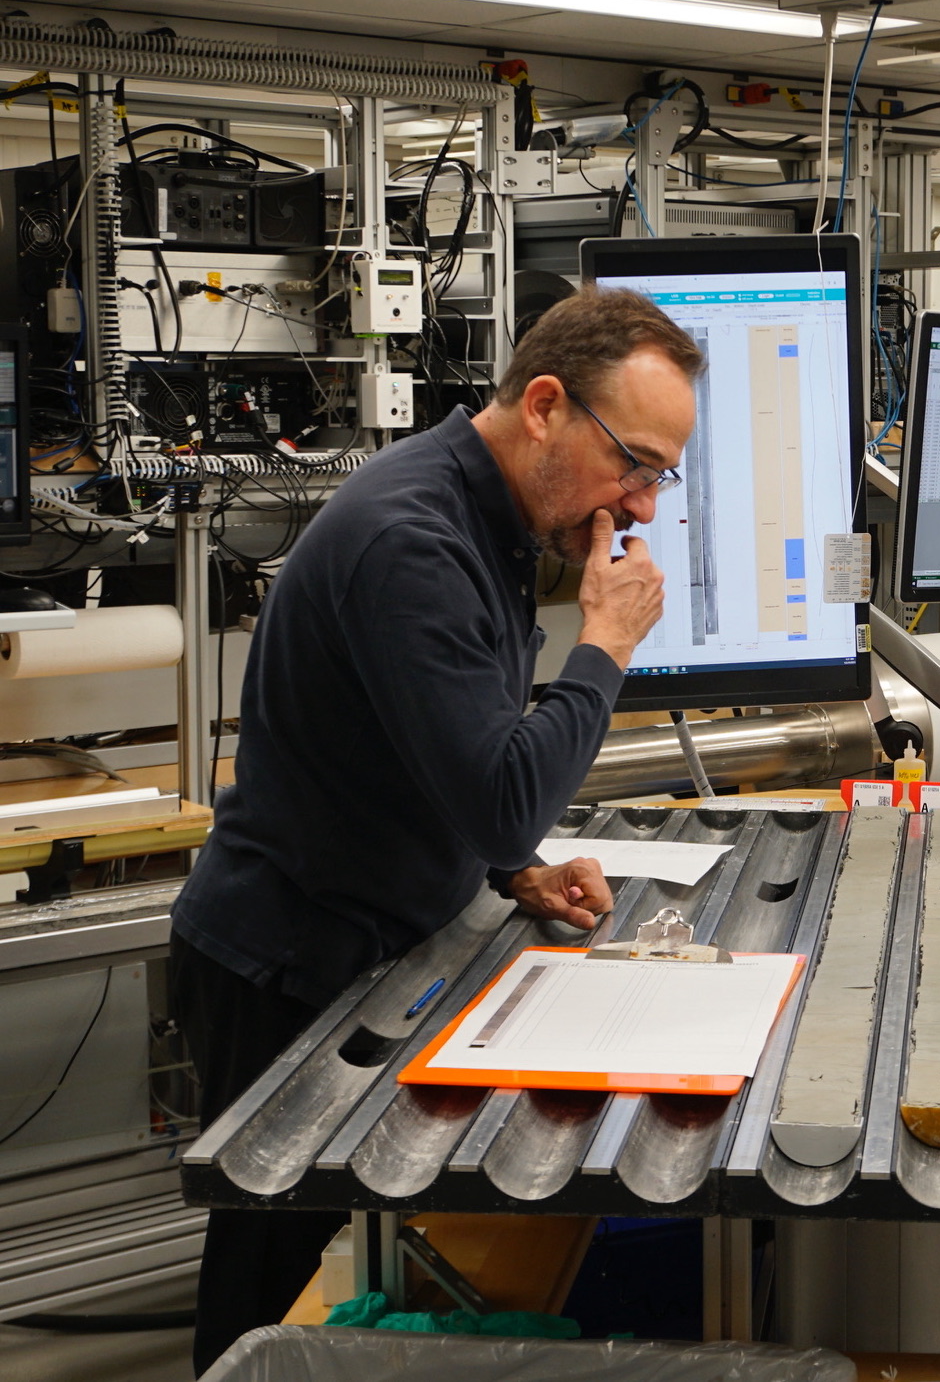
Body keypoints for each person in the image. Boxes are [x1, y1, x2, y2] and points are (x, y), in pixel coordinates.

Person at [167, 287, 700, 1372]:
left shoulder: (486, 519)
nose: (642, 505)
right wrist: (603, 645)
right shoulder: (411, 539)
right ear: (544, 406)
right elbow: (504, 790)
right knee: (273, 1287)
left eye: (660, 478)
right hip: (285, 960)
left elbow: (442, 758)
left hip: (365, 939)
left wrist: (514, 870)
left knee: (333, 1273)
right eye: (633, 464)